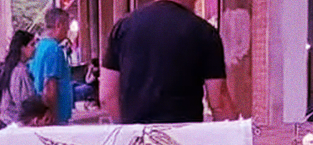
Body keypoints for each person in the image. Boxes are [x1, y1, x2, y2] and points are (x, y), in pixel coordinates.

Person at [99, 0, 236, 124]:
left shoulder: (123, 27)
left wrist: (127, 131)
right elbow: (219, 102)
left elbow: (107, 95)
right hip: (184, 137)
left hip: (137, 138)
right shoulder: (204, 32)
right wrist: (234, 137)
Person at [30, 8, 73, 124]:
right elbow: (50, 85)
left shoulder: (39, 47)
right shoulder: (54, 49)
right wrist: (52, 112)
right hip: (56, 117)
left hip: (42, 111)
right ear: (59, 25)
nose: (68, 30)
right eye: (67, 25)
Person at [0, 30, 36, 129]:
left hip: (6, 122)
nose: (34, 48)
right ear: (22, 48)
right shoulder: (20, 71)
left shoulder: (8, 68)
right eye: (32, 45)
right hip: (15, 125)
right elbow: (25, 103)